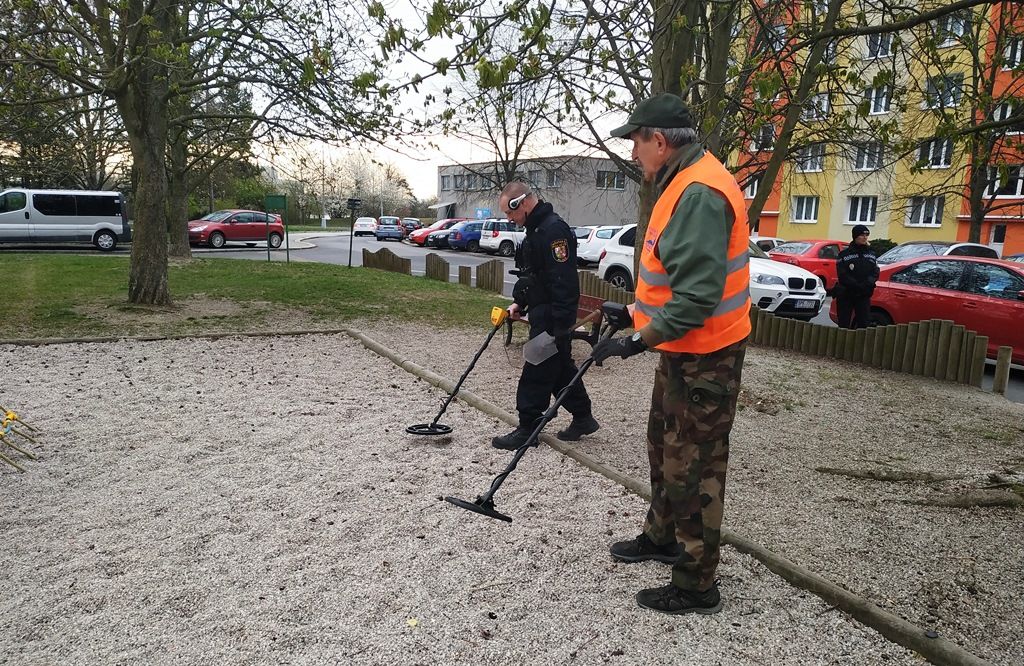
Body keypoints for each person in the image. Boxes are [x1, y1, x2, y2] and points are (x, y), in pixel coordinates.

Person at [592, 93, 750, 615]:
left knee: (696, 466)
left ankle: (696, 584)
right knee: (663, 445)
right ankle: (661, 537)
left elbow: (698, 298)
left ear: (658, 140)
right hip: (683, 350)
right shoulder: (679, 179)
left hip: (707, 355)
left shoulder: (699, 192)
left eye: (636, 142)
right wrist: (631, 313)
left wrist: (636, 341)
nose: (634, 152)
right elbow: (670, 278)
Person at [490, 182, 600, 450]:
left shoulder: (553, 230)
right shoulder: (536, 230)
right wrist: (520, 302)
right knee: (561, 367)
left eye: (510, 212)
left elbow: (563, 280)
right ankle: (583, 417)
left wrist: (560, 324)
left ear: (523, 203)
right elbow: (535, 276)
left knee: (537, 368)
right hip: (542, 310)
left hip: (553, 314)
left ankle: (528, 427)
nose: (509, 219)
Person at [834, 225, 879, 329]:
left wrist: (868, 283)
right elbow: (842, 274)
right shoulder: (844, 254)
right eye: (862, 235)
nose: (865, 237)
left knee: (864, 323)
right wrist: (857, 285)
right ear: (855, 236)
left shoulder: (871, 253)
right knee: (844, 324)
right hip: (847, 294)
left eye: (866, 235)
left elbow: (875, 271)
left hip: (863, 295)